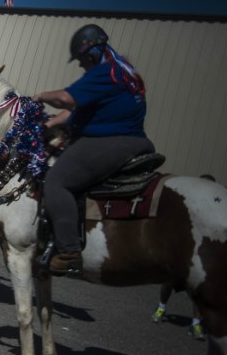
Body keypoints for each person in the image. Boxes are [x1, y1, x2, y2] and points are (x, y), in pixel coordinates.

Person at [32, 24, 153, 275]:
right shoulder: (123, 71)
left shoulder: (104, 72)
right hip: (132, 138)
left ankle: (68, 252)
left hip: (112, 140)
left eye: (81, 59)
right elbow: (78, 110)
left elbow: (68, 99)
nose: (80, 65)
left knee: (56, 181)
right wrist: (52, 123)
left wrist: (40, 96)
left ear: (92, 53)